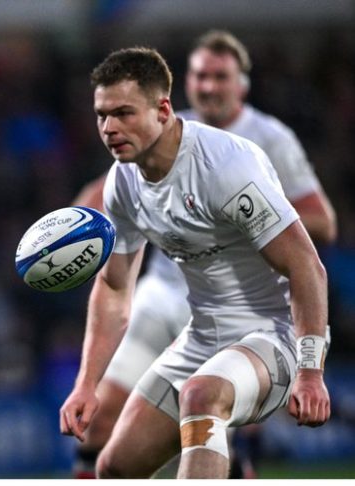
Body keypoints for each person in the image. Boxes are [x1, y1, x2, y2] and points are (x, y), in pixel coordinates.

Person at [69, 30, 338, 478]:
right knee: (113, 468)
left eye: (122, 114)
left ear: (162, 110)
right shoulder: (122, 183)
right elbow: (114, 288)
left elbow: (306, 264)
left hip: (271, 337)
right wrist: (86, 385)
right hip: (200, 336)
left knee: (201, 396)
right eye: (101, 116)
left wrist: (311, 370)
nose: (109, 128)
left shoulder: (226, 166)